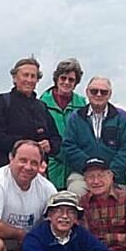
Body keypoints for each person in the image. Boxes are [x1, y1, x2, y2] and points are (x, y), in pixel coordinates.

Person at [62, 76, 126, 196]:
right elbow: (68, 146)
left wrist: (110, 173)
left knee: (122, 201)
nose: (99, 94)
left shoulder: (122, 118)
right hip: (82, 175)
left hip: (114, 176)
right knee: (75, 191)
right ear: (87, 92)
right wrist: (89, 169)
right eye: (94, 91)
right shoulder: (76, 118)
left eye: (104, 92)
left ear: (110, 94)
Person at [0, 57, 61, 170]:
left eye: (33, 76)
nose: (29, 80)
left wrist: (49, 145)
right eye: (25, 75)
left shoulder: (41, 107)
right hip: (6, 169)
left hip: (37, 171)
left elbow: (56, 138)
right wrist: (28, 146)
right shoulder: (1, 102)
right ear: (15, 78)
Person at [39, 58, 87, 190]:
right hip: (50, 167)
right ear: (56, 79)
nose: (66, 82)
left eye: (71, 80)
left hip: (75, 167)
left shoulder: (83, 105)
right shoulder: (41, 104)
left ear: (76, 82)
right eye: (63, 78)